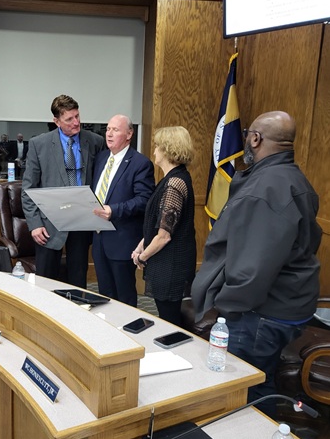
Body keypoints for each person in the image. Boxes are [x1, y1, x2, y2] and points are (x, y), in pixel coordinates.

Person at [191, 111, 322, 414]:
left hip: (262, 313)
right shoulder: (293, 178)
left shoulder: (265, 190)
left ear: (255, 139)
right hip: (289, 302)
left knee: (245, 390)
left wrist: (221, 308)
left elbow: (252, 270)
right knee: (261, 380)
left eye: (247, 134)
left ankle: (254, 437)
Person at [21, 94, 104, 287]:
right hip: (48, 225)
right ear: (56, 121)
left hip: (81, 222)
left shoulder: (95, 142)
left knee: (78, 281)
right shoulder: (39, 144)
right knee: (45, 284)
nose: (76, 122)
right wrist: (35, 224)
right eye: (69, 119)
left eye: (77, 116)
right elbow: (28, 189)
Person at [132, 126, 196, 325]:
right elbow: (157, 223)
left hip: (171, 265)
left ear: (168, 149)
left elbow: (164, 235)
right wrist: (141, 245)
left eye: (157, 146)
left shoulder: (175, 183)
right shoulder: (171, 179)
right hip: (166, 263)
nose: (154, 151)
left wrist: (142, 257)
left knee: (170, 322)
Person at [92, 115, 155, 307]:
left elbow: (144, 200)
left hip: (122, 239)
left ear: (129, 134)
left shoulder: (140, 163)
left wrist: (114, 210)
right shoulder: (101, 158)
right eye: (108, 129)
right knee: (104, 295)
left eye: (115, 130)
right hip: (99, 239)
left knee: (124, 298)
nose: (109, 134)